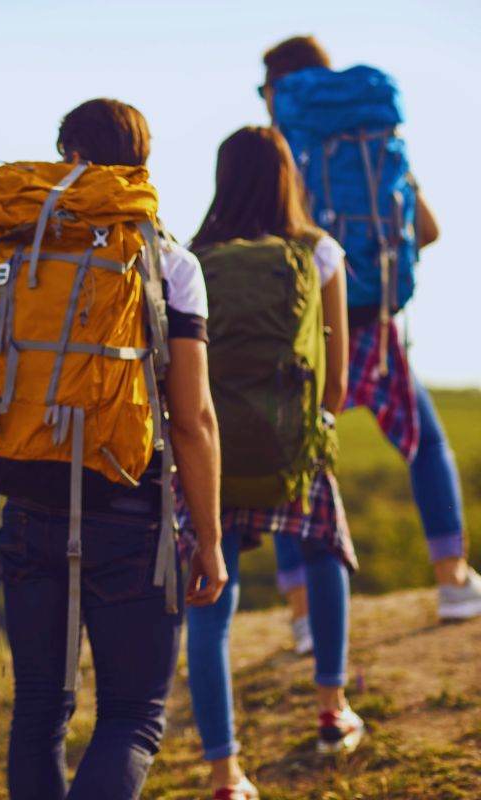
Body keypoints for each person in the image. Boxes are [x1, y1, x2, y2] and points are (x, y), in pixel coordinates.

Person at [0, 99, 227, 800]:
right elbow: (192, 416)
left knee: (39, 711)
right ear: (140, 163)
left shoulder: (14, 248)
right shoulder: (169, 261)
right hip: (127, 513)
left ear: (66, 156)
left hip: (24, 497)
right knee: (132, 718)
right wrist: (210, 538)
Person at [259, 35, 480, 626]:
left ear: (279, 87)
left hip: (310, 328)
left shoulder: (286, 142)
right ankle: (453, 580)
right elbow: (426, 229)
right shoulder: (375, 136)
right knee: (426, 445)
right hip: (376, 327)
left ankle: (305, 614)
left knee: (295, 457)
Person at [184, 126, 363, 800]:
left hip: (212, 451)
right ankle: (332, 708)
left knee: (211, 605)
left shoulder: (191, 257)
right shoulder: (318, 252)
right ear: (289, 176)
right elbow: (339, 384)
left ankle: (225, 772)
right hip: (295, 448)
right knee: (323, 557)